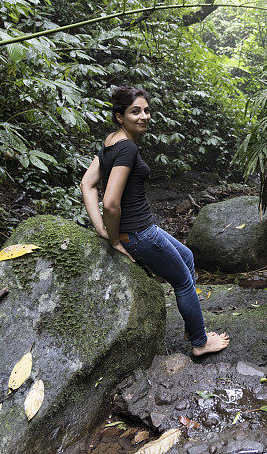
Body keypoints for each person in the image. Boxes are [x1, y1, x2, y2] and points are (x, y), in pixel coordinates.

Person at [80, 84, 229, 356]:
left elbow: (87, 184)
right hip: (138, 234)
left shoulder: (110, 143)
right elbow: (111, 202)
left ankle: (191, 325)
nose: (143, 117)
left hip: (141, 229)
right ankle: (199, 342)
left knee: (187, 256)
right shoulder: (126, 150)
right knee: (183, 281)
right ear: (119, 116)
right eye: (135, 111)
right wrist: (112, 238)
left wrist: (99, 227)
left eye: (146, 111)